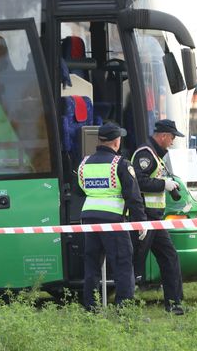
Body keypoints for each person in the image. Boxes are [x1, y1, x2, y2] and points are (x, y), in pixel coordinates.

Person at [77, 122, 147, 309]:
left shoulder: (84, 163)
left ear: (100, 140)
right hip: (113, 220)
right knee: (123, 264)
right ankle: (124, 309)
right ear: (117, 141)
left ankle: (91, 308)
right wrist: (141, 222)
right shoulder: (121, 164)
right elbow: (133, 196)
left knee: (92, 265)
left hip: (89, 219)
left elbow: (81, 189)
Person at [130, 119, 185, 315]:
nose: (172, 142)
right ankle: (126, 307)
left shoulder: (155, 154)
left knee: (170, 257)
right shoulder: (145, 154)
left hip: (155, 219)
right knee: (134, 262)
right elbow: (138, 181)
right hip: (144, 217)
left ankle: (175, 304)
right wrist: (164, 185)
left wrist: (166, 183)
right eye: (171, 138)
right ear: (162, 136)